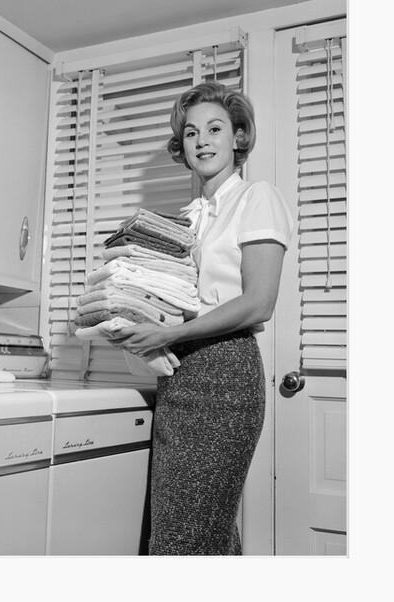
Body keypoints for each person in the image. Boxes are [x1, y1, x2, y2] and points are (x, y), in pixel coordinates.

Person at [108, 81, 294, 555]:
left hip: (226, 378)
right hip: (178, 376)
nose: (203, 141)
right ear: (183, 147)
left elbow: (259, 302)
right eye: (191, 133)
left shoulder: (256, 197)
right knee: (191, 529)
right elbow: (165, 292)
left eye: (215, 128)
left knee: (188, 536)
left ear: (238, 137)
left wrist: (172, 331)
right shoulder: (189, 217)